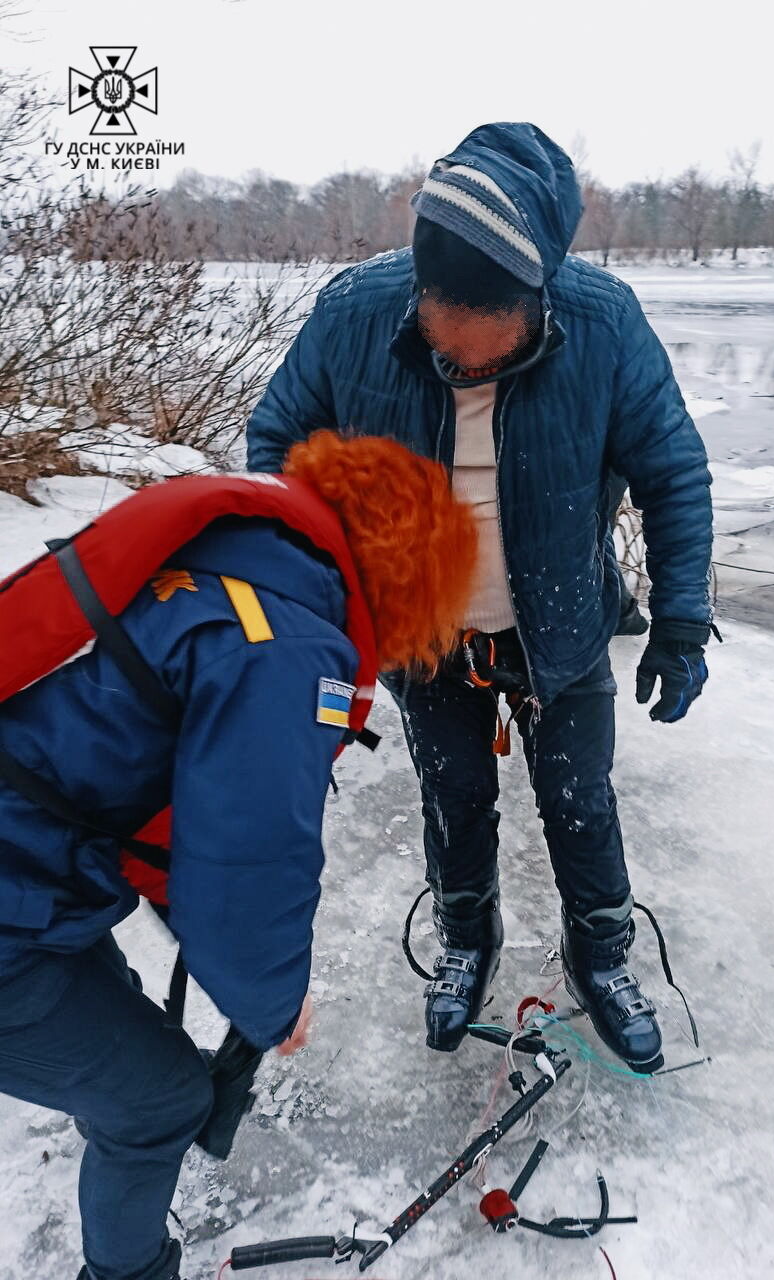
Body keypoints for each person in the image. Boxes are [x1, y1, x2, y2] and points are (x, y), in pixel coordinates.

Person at [247, 122, 716, 1074]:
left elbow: (674, 473)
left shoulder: (605, 324)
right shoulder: (354, 315)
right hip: (425, 636)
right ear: (419, 296)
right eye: (444, 349)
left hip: (561, 627)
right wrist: (313, 594)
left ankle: (604, 956)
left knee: (581, 801)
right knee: (455, 798)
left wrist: (679, 620)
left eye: (486, 358)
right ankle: (469, 939)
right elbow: (275, 446)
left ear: (537, 302)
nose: (463, 370)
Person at [0, 432, 477, 1280]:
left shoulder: (222, 572)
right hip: (14, 902)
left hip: (30, 878)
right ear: (413, 579)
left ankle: (114, 1146)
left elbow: (175, 813)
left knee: (121, 1024)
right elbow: (246, 865)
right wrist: (274, 1003)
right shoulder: (286, 645)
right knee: (162, 1100)